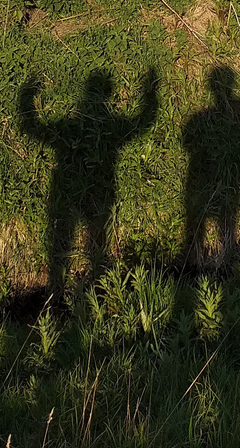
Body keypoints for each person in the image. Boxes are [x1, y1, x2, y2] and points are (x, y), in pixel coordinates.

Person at [18, 67, 160, 295]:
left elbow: (31, 128)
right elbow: (141, 124)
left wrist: (25, 96)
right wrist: (150, 93)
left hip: (66, 191)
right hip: (99, 191)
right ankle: (97, 292)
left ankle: (56, 294)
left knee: (60, 242)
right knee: (95, 245)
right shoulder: (109, 126)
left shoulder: (66, 127)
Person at [182, 65, 240, 267]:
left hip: (205, 176)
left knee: (201, 216)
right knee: (223, 214)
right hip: (227, 176)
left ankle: (206, 260)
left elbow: (185, 141)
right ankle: (221, 259)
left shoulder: (199, 118)